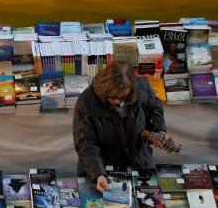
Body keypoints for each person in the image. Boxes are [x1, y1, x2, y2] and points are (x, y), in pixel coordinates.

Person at [73, 61, 180, 193]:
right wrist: (98, 174)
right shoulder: (87, 101)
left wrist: (159, 130)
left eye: (124, 97)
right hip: (104, 167)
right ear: (104, 90)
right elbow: (86, 144)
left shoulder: (141, 86)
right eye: (114, 97)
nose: (119, 102)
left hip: (138, 161)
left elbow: (155, 107)